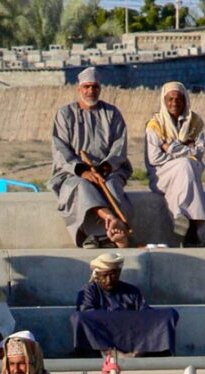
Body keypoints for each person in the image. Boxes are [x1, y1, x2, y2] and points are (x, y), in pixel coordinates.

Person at [50, 67, 133, 248]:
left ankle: (111, 236)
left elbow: (119, 146)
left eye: (94, 87)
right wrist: (82, 170)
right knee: (83, 187)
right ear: (79, 89)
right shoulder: (65, 114)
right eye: (86, 87)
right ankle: (106, 224)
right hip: (73, 172)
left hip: (108, 170)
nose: (90, 91)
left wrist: (104, 168)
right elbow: (60, 149)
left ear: (100, 88)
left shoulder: (111, 113)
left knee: (111, 186)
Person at [72, 252, 179, 356]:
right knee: (79, 318)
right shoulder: (89, 290)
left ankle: (137, 352)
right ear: (97, 276)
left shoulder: (131, 291)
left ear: (119, 273)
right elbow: (87, 314)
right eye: (104, 276)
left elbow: (146, 314)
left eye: (113, 275)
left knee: (169, 314)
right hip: (103, 334)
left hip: (130, 333)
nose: (108, 280)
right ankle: (110, 353)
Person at [146, 81, 205, 248]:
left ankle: (183, 220)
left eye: (178, 99)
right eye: (170, 99)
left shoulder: (194, 122)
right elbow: (155, 158)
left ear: (185, 100)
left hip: (187, 173)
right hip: (161, 175)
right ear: (164, 101)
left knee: (187, 167)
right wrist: (185, 150)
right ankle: (193, 228)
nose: (174, 103)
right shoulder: (155, 124)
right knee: (185, 165)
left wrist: (171, 148)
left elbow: (199, 152)